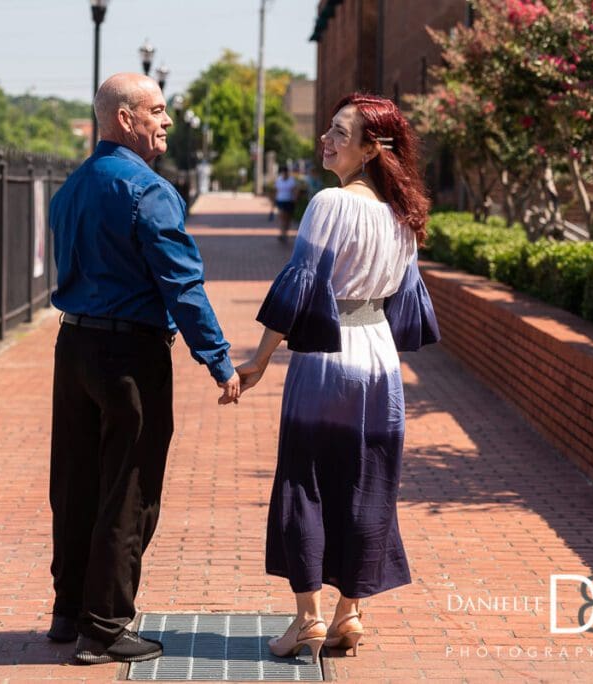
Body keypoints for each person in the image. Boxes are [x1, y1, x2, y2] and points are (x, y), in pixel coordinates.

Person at [236, 93, 440, 662]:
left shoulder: (329, 204)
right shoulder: (403, 214)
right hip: (379, 360)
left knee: (305, 481)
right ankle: (350, 612)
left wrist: (258, 360)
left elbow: (301, 286)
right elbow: (408, 303)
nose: (325, 138)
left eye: (338, 131)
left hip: (328, 356)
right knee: (368, 481)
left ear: (372, 148)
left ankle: (308, 619)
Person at [47, 72, 241, 665]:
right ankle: (104, 626)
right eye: (157, 110)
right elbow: (182, 284)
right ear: (124, 118)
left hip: (74, 349)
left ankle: (68, 610)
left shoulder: (71, 187)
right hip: (131, 356)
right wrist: (219, 359)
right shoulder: (149, 191)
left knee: (75, 484)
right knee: (128, 490)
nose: (167, 121)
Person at [273, 165, 299, 243]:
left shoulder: (291, 180)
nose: (284, 174)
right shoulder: (279, 180)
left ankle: (285, 233)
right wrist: (274, 200)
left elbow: (295, 190)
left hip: (289, 201)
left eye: (285, 172)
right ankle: (282, 233)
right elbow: (276, 190)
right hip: (280, 200)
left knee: (288, 219)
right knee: (282, 217)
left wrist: (295, 198)